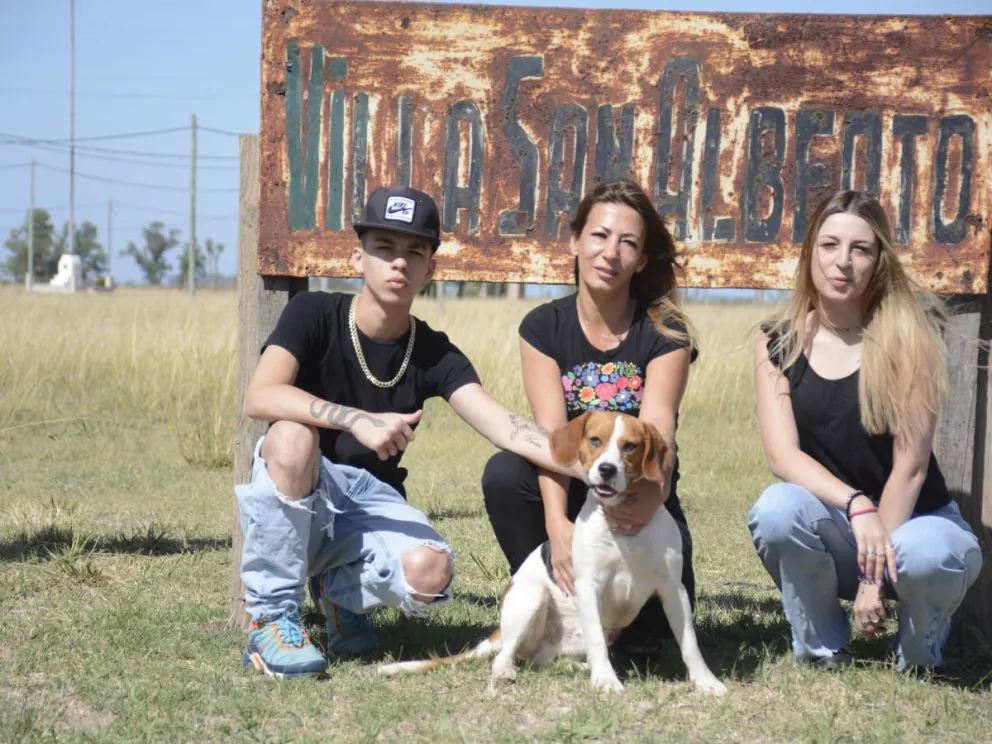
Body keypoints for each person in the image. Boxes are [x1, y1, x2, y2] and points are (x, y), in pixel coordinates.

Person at [237, 184, 587, 679]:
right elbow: (260, 395)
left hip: (371, 500)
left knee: (430, 573)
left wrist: (593, 466)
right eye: (384, 248)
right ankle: (272, 621)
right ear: (358, 258)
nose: (398, 262)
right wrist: (356, 419)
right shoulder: (313, 313)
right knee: (293, 436)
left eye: (414, 252)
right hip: (302, 483)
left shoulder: (433, 351)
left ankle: (339, 595)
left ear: (430, 269)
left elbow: (503, 426)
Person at [749, 189, 983, 672]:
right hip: (842, 526)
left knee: (926, 554)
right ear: (810, 253)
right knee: (776, 509)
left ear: (878, 261)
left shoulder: (909, 338)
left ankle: (920, 651)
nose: (843, 261)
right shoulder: (777, 341)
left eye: (860, 249)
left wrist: (872, 579)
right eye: (830, 245)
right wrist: (857, 505)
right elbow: (783, 457)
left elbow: (911, 469)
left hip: (915, 528)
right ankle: (821, 648)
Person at [481, 179, 699, 655]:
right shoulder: (542, 327)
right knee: (505, 472)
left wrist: (653, 496)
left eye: (628, 243)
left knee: (659, 637)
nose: (610, 253)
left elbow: (660, 429)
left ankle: (630, 629)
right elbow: (551, 440)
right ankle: (549, 605)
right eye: (599, 235)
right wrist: (558, 526)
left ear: (642, 260)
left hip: (639, 489)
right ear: (575, 241)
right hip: (576, 481)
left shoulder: (666, 332)